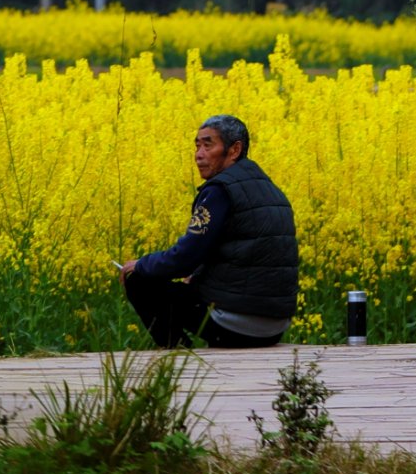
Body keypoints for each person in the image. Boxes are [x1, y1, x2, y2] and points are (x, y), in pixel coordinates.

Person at [120, 113, 300, 350]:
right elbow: (239, 251)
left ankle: (176, 355)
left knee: (139, 279)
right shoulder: (271, 190)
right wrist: (197, 276)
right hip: (274, 327)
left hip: (236, 326)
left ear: (234, 150)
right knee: (184, 282)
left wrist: (141, 264)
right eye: (197, 146)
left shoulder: (220, 190)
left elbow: (184, 258)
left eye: (208, 145)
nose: (199, 154)